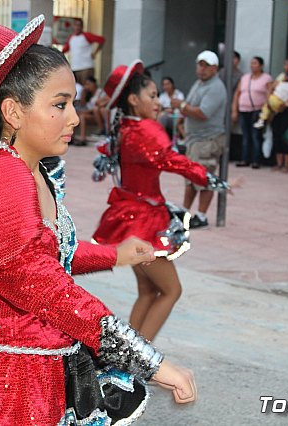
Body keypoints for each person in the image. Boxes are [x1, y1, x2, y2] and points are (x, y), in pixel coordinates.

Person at [0, 16, 196, 425]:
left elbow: (43, 252)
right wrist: (150, 361)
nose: (74, 118)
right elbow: (37, 281)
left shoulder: (31, 170)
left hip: (35, 368)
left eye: (72, 103)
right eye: (60, 104)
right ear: (13, 111)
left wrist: (115, 255)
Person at [92, 60, 230, 341]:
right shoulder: (147, 130)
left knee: (148, 290)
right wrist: (211, 179)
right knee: (171, 290)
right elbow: (171, 160)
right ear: (133, 100)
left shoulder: (126, 128)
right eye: (152, 96)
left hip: (130, 215)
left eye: (158, 96)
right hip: (143, 221)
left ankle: (126, 361)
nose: (158, 102)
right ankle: (137, 361)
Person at [170, 50, 227, 229]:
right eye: (200, 65)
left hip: (207, 140)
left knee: (204, 178)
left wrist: (182, 106)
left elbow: (203, 113)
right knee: (191, 178)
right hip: (195, 139)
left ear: (215, 68)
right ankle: (185, 212)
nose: (202, 69)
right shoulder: (199, 83)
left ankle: (201, 216)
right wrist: (182, 118)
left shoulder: (216, 87)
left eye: (206, 65)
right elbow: (190, 107)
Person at [232, 56, 272, 169]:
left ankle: (256, 160)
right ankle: (244, 159)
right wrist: (234, 110)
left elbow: (269, 95)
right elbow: (237, 94)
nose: (252, 65)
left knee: (255, 135)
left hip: (258, 110)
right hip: (243, 109)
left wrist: (268, 111)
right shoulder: (245, 77)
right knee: (245, 135)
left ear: (261, 65)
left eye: (255, 63)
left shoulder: (266, 78)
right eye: (251, 63)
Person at [62, 18, 105, 84]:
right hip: (74, 68)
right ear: (73, 26)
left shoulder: (86, 36)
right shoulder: (71, 38)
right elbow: (64, 50)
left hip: (86, 68)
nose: (77, 27)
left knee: (86, 89)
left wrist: (95, 53)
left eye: (79, 25)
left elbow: (101, 40)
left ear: (82, 27)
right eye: (76, 25)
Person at [74, 76, 104, 145]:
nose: (87, 86)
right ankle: (74, 137)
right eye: (86, 84)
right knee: (77, 115)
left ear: (94, 84)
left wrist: (84, 112)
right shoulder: (88, 94)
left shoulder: (99, 92)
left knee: (82, 116)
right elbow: (82, 104)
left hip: (96, 115)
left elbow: (96, 108)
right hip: (89, 113)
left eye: (88, 84)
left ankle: (82, 138)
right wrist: (84, 92)